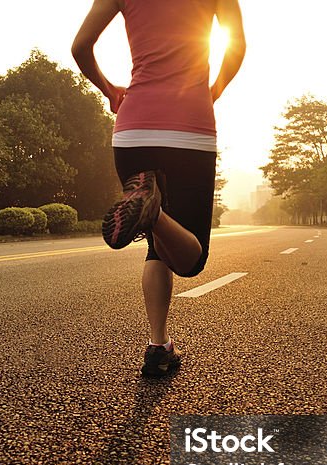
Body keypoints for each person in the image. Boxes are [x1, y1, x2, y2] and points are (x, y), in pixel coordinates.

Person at [72, 0, 246, 377]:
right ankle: (152, 210)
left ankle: (158, 346)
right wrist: (211, 91)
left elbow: (80, 47)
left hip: (133, 130)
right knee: (191, 259)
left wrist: (108, 89)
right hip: (190, 127)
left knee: (157, 244)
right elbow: (237, 47)